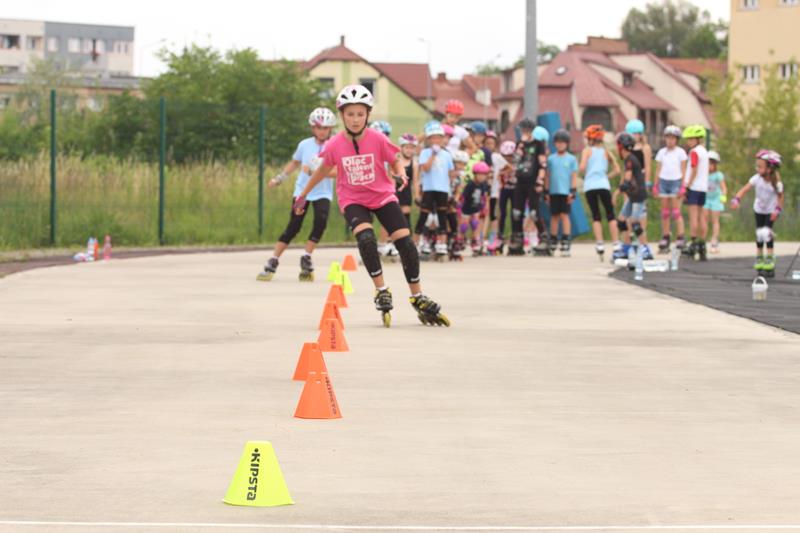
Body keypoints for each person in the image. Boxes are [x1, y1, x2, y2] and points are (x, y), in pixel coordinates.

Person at [295, 84, 449, 327]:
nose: (355, 119)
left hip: (382, 195)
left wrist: (401, 173)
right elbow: (322, 170)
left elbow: (395, 160)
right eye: (350, 114)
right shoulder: (334, 144)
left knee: (406, 244)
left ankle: (417, 296)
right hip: (353, 199)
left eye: (360, 114)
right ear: (342, 115)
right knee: (366, 239)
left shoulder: (377, 138)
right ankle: (381, 290)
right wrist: (303, 195)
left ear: (367, 114)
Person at [258, 107, 336, 282]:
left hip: (322, 192)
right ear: (312, 128)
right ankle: (274, 259)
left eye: (325, 128)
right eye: (318, 127)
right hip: (302, 192)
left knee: (321, 222)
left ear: (330, 128)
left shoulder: (335, 146)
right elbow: (294, 163)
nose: (321, 131)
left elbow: (339, 171)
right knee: (294, 225)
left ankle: (306, 256)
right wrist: (279, 178)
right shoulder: (304, 144)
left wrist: (317, 172)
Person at [730, 150, 785, 277]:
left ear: (770, 169)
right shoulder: (756, 178)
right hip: (759, 210)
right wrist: (736, 199)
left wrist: (777, 210)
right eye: (757, 166)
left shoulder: (777, 183)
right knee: (759, 234)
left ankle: (770, 258)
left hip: (770, 211)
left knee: (766, 233)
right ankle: (760, 257)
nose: (757, 169)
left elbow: (781, 197)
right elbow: (744, 189)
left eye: (760, 166)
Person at [415, 121, 455, 261]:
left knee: (442, 217)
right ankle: (415, 243)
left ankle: (441, 244)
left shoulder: (447, 155)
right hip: (429, 188)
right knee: (423, 217)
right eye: (433, 138)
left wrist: (452, 188)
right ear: (428, 140)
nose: (436, 141)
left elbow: (450, 173)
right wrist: (433, 155)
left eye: (439, 138)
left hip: (442, 189)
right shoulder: (425, 153)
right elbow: (425, 169)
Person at [579, 124, 621, 259]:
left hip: (590, 186)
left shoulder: (587, 151)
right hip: (604, 185)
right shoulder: (606, 152)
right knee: (610, 215)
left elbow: (582, 167)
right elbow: (617, 170)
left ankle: (600, 244)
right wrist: (605, 176)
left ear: (590, 139)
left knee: (596, 215)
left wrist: (585, 174)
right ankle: (616, 243)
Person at [509, 118, 548, 255]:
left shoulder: (539, 144)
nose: (525, 132)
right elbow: (515, 160)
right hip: (520, 181)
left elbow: (543, 164)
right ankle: (518, 239)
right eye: (523, 130)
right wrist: (520, 146)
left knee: (533, 212)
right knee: (516, 212)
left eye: (527, 130)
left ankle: (544, 238)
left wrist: (540, 181)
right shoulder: (519, 144)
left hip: (533, 182)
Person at [654, 125, 688, 253]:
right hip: (663, 181)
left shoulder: (681, 152)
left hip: (676, 181)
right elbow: (658, 169)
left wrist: (683, 186)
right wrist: (656, 185)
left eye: (673, 138)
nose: (670, 141)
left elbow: (683, 169)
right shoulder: (662, 152)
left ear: (677, 139)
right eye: (668, 138)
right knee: (665, 212)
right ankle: (665, 236)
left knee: (676, 212)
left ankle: (680, 236)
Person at [545, 130, 578, 257]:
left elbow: (573, 176)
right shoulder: (551, 159)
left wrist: (573, 191)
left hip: (565, 191)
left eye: (562, 143)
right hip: (553, 191)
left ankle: (566, 240)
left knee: (564, 215)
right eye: (558, 143)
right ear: (554, 144)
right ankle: (553, 239)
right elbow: (548, 176)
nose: (560, 145)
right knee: (554, 216)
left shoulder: (571, 159)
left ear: (567, 144)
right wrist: (546, 191)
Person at [617, 133, 650, 258]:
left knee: (635, 223)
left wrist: (616, 193)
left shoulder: (630, 160)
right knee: (621, 220)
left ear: (621, 147)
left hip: (638, 196)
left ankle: (646, 249)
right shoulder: (628, 159)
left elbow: (627, 180)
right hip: (632, 196)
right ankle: (626, 247)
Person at [681, 125, 710, 261]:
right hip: (703, 187)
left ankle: (693, 244)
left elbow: (694, 169)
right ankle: (702, 244)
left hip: (694, 187)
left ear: (698, 139)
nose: (688, 142)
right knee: (701, 217)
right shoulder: (704, 151)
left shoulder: (694, 152)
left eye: (691, 139)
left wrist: (687, 185)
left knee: (693, 217)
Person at [459, 161, 491, 254]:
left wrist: (485, 206)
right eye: (479, 175)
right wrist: (459, 207)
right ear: (475, 174)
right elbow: (463, 197)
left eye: (484, 175)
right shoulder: (470, 184)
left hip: (476, 207)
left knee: (475, 224)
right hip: (466, 208)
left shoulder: (483, 185)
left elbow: (484, 196)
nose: (481, 177)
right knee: (464, 226)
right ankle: (461, 239)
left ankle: (475, 241)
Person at [703, 150, 726, 254]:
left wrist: (723, 198)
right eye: (708, 163)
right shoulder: (703, 175)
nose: (710, 166)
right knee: (704, 220)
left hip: (716, 199)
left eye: (712, 163)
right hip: (706, 199)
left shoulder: (718, 175)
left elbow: (723, 188)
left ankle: (714, 241)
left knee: (715, 221)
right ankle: (702, 240)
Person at [626, 119, 653, 191]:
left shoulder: (645, 147)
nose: (633, 136)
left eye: (635, 134)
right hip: (630, 177)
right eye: (631, 134)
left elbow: (648, 166)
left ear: (640, 134)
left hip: (640, 177)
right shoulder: (628, 147)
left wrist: (647, 182)